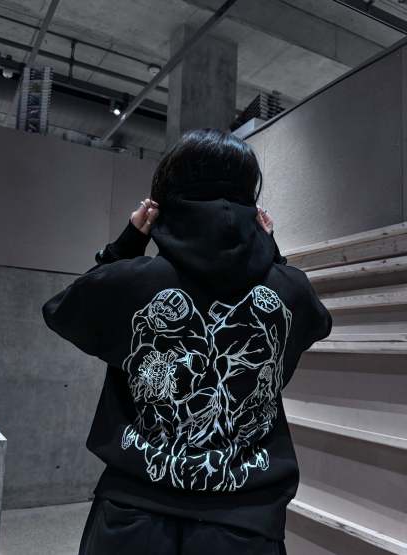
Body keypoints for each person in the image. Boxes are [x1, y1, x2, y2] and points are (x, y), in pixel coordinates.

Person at [41, 128, 332, 555]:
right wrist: (272, 254)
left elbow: (63, 310)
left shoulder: (132, 281)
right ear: (250, 200)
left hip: (133, 512)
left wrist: (125, 246)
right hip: (245, 521)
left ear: (166, 195)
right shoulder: (289, 290)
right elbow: (313, 322)